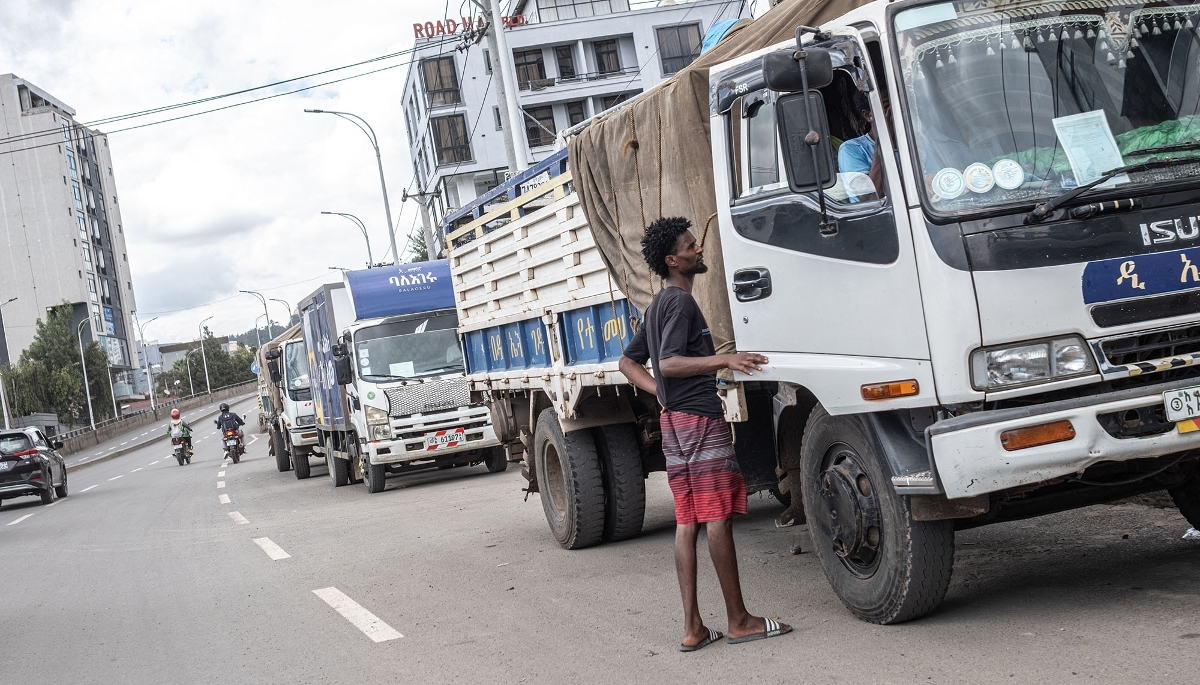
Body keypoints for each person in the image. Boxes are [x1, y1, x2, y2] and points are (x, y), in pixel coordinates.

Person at [618, 216, 792, 653]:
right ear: (673, 260)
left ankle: (694, 627)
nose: (699, 250)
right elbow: (673, 361)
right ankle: (739, 621)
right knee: (716, 518)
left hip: (675, 423)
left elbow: (628, 362)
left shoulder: (657, 305)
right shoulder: (679, 304)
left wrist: (661, 392)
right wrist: (724, 362)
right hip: (697, 420)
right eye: (691, 246)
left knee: (686, 522)